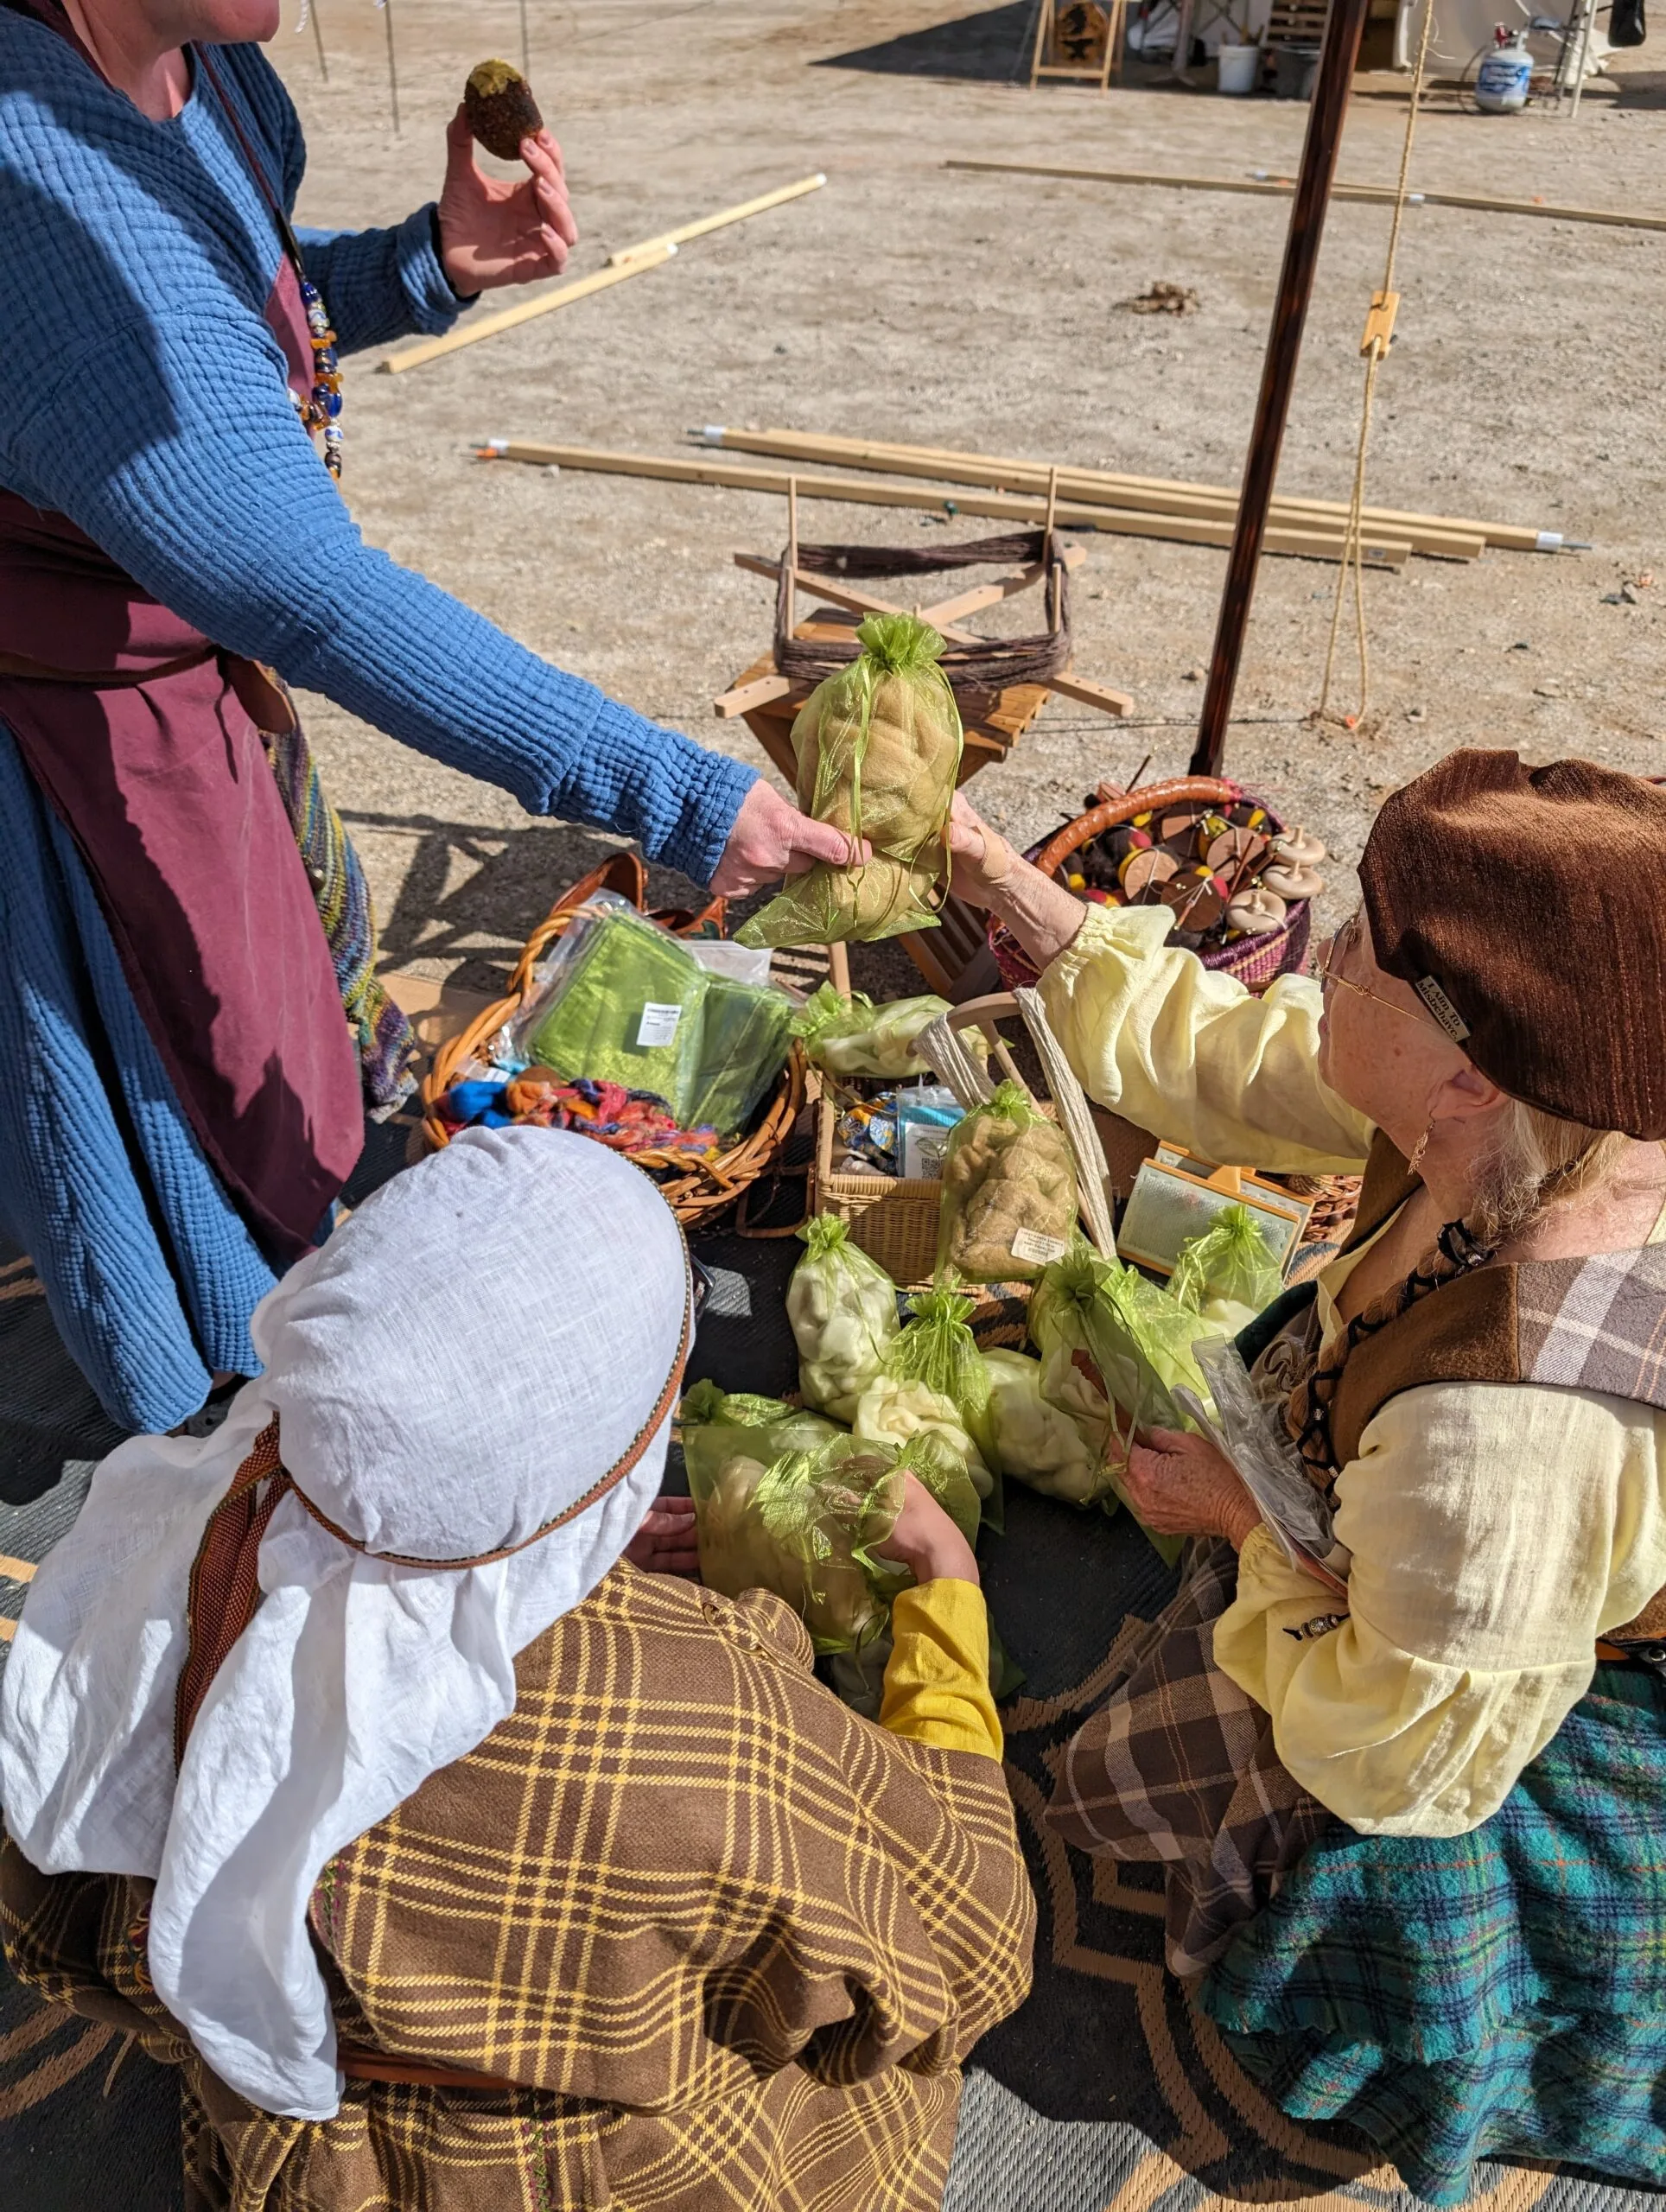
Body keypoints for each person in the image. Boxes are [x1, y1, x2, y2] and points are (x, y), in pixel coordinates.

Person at [0, 0, 854, 1437]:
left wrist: (416, 267)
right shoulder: (33, 196)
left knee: (285, 1075)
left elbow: (247, 327)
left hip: (189, 704)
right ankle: (226, 1469)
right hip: (75, 762)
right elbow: (306, 589)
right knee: (176, 1152)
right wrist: (691, 803)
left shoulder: (216, 81)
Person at [0, 1126, 1033, 2210]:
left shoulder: (159, 1547)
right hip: (586, 2170)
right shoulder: (700, 1724)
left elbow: (64, 1926)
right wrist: (943, 1589)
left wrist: (528, 1564)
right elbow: (969, 1938)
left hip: (317, 2159)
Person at [944, 751, 1666, 2203]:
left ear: (1468, 1061)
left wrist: (1246, 1523)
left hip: (1511, 1704)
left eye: (1355, 945)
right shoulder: (1543, 1114)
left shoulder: (1504, 1440)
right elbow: (1239, 1058)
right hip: (1440, 1561)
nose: (1317, 951)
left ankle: (1421, 2033)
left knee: (1369, 1847)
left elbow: (1401, 1756)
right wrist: (1018, 897)